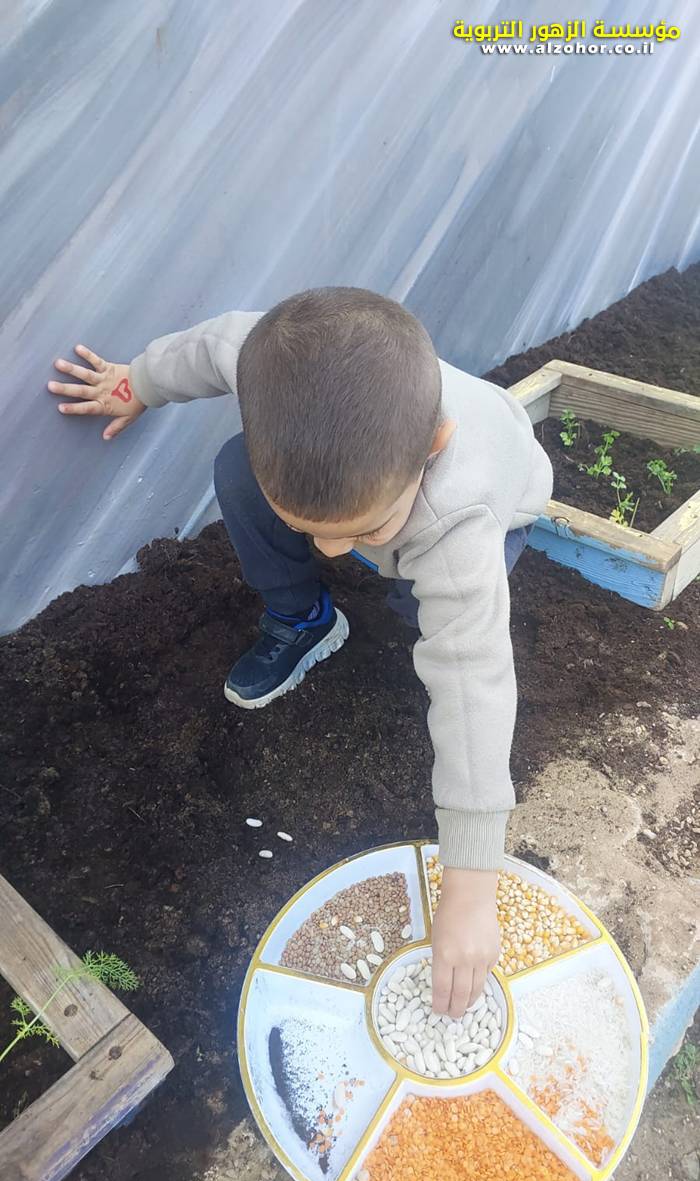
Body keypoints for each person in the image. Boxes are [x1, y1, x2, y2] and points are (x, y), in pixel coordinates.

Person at [48, 287, 553, 1019]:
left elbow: (476, 681)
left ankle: (410, 595)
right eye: (308, 528)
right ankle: (305, 620)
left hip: (502, 504)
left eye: (361, 530)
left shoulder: (458, 521)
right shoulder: (272, 360)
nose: (334, 553)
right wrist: (138, 381)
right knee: (236, 469)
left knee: (431, 614)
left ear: (432, 447)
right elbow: (213, 342)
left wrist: (472, 890)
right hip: (401, 482)